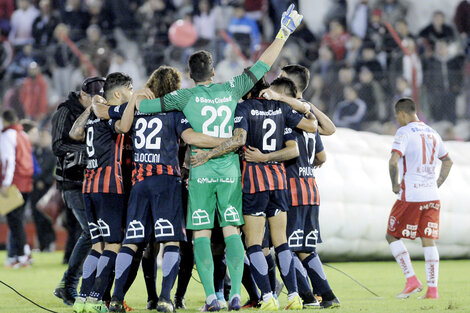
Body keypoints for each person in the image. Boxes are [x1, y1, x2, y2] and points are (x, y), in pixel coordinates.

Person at [132, 5, 303, 311]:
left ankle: (212, 298)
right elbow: (263, 65)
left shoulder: (183, 97)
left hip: (200, 170)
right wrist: (283, 33)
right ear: (212, 72)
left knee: (200, 233)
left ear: (189, 74)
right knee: (231, 230)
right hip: (230, 171)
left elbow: (143, 110)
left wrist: (140, 94)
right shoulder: (231, 88)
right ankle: (235, 294)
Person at [107, 66, 228, 313]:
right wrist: (224, 141)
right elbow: (192, 138)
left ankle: (117, 299)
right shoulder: (174, 110)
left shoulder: (138, 108)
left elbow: (108, 115)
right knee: (171, 240)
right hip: (166, 181)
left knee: (131, 242)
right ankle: (165, 299)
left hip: (139, 183)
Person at [217, 76, 317, 310]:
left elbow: (238, 140)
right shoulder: (282, 108)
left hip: (254, 181)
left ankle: (267, 296)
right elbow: (310, 128)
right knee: (281, 242)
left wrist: (259, 157)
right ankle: (293, 296)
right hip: (279, 182)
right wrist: (287, 101)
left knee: (253, 243)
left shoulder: (243, 108)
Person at [69, 72, 135, 313]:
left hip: (89, 188)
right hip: (109, 188)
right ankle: (96, 299)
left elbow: (75, 133)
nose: (131, 94)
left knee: (97, 245)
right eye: (130, 89)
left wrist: (93, 107)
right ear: (118, 93)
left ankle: (82, 299)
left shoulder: (93, 119)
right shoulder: (108, 116)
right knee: (113, 245)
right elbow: (124, 125)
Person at [278, 65, 339, 308]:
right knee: (305, 248)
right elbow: (322, 157)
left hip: (290, 188)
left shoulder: (285, 112)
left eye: (281, 79)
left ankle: (307, 297)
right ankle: (328, 296)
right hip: (310, 189)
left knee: (284, 247)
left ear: (290, 85)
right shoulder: (309, 115)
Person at [386, 98, 453, 299]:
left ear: (403, 114)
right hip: (432, 195)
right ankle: (432, 290)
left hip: (412, 194)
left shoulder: (404, 132)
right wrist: (437, 182)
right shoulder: (433, 133)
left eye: (398, 116)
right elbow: (448, 161)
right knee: (428, 240)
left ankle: (411, 280)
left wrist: (394, 184)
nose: (398, 120)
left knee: (391, 235)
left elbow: (393, 162)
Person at [52, 76, 105, 306]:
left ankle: (71, 284)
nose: (99, 101)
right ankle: (69, 283)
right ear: (83, 96)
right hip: (72, 182)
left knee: (94, 233)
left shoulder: (98, 111)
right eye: (95, 98)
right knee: (92, 233)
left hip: (93, 180)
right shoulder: (65, 112)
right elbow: (57, 146)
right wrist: (89, 149)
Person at [0, 109, 34, 268]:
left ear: (5, 120)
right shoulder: (23, 135)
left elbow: (8, 161)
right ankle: (20, 254)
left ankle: (22, 256)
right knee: (18, 220)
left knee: (15, 221)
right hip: (26, 182)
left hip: (14, 183)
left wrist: (6, 184)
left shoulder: (7, 136)